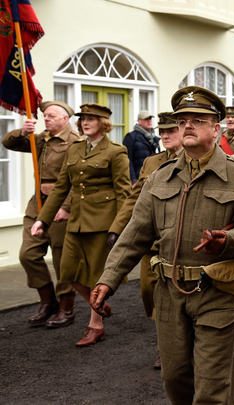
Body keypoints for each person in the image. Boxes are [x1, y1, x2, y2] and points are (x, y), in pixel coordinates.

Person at [90, 86, 234, 405]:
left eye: (198, 120)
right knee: (175, 379)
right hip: (170, 293)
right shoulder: (159, 178)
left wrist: (228, 241)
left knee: (212, 388)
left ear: (216, 128)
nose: (188, 125)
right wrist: (109, 279)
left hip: (217, 291)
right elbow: (135, 234)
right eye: (183, 120)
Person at [30, 103, 131, 346]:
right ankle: (99, 303)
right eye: (83, 118)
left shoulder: (116, 151)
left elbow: (124, 193)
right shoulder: (75, 150)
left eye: (92, 119)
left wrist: (118, 228)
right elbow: (62, 188)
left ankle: (95, 325)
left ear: (104, 124)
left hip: (103, 222)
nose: (85, 122)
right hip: (76, 220)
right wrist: (42, 219)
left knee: (97, 276)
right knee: (67, 271)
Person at [107, 112, 182, 369]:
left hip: (184, 242)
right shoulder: (152, 162)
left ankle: (173, 348)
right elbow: (135, 198)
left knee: (180, 297)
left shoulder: (196, 160)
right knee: (149, 291)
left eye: (171, 130)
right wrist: (117, 229)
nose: (165, 135)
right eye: (163, 131)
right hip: (154, 241)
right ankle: (168, 338)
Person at [2, 101, 82, 327]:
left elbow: (77, 180)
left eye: (51, 116)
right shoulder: (41, 139)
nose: (45, 119)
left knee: (61, 259)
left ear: (65, 119)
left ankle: (67, 307)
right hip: (37, 203)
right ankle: (48, 302)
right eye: (44, 115)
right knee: (28, 254)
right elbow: (8, 142)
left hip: (60, 205)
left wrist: (66, 207)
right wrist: (23, 131)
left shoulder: (75, 142)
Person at [123, 110, 159, 186]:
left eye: (150, 119)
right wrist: (133, 180)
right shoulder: (131, 137)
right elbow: (127, 160)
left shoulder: (154, 138)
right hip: (138, 179)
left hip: (153, 179)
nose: (149, 121)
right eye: (146, 119)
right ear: (139, 121)